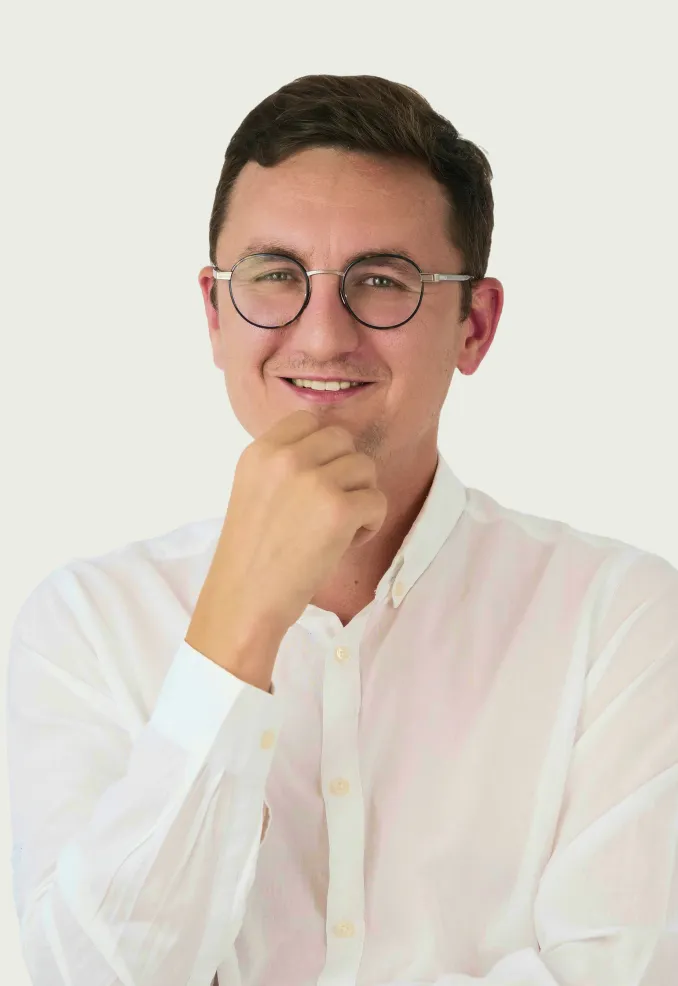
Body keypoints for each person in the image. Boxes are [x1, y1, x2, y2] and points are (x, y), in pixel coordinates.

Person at [6, 73, 678, 986]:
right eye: (276, 276)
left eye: (381, 281)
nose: (322, 335)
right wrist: (235, 630)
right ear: (213, 312)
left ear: (474, 326)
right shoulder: (83, 626)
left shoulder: (626, 624)